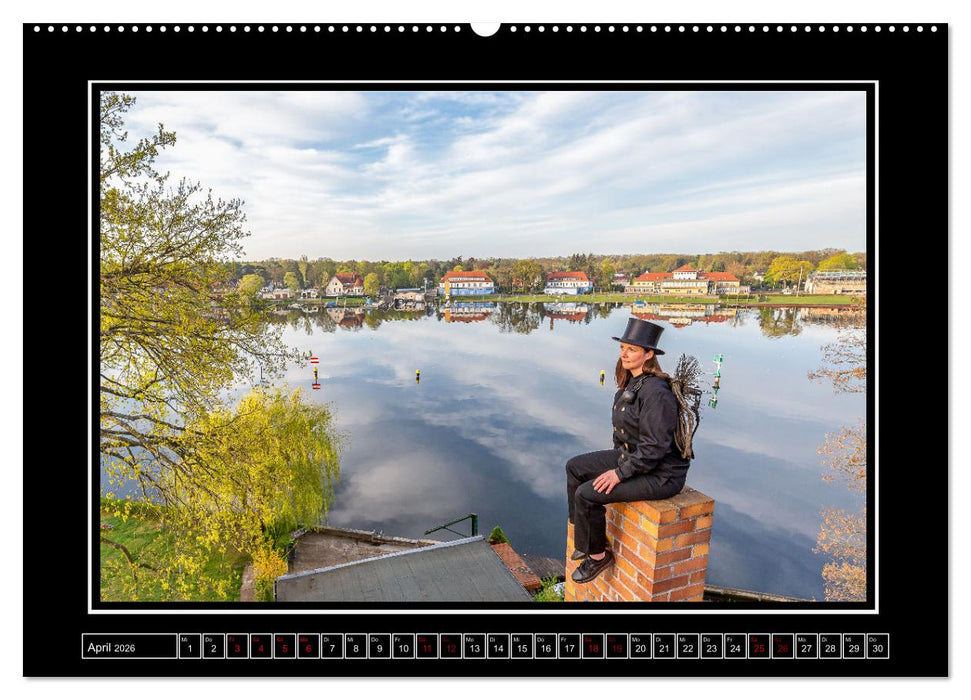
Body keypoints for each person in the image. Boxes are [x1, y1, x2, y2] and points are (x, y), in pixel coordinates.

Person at [566, 317, 692, 584]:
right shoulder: (633, 383)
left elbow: (655, 447)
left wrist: (619, 474)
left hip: (661, 474)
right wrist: (617, 462)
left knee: (587, 494)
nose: (624, 353)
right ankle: (584, 538)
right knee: (575, 467)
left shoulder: (657, 392)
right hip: (634, 458)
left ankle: (598, 557)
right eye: (623, 347)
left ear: (648, 354)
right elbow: (623, 434)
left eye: (632, 349)